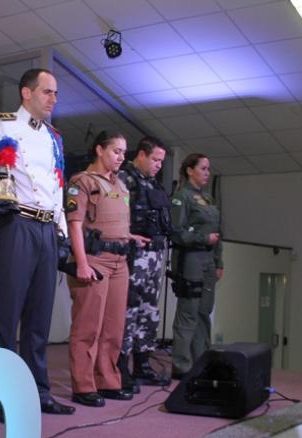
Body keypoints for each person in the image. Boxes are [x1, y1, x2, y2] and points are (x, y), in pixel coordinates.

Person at [0, 68, 74, 420]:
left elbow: (57, 186)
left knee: (39, 320)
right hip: (16, 226)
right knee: (6, 318)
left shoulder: (54, 137)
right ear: (26, 92)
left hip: (46, 230)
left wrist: (62, 232)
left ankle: (39, 393)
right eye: (47, 92)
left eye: (55, 94)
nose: (53, 99)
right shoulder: (2, 125)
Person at [64, 131, 149, 407]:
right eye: (116, 151)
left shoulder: (121, 185)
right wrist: (82, 263)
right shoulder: (82, 182)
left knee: (113, 327)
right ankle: (83, 385)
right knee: (88, 326)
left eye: (124, 152)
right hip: (95, 259)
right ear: (100, 150)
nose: (121, 157)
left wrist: (129, 237)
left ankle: (108, 380)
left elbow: (113, 223)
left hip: (119, 262)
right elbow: (75, 224)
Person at [117, 136, 172, 391]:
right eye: (155, 159)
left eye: (162, 161)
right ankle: (121, 366)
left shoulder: (153, 184)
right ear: (141, 155)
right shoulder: (124, 179)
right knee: (129, 310)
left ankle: (142, 364)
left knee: (149, 311)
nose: (159, 165)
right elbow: (116, 216)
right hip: (134, 254)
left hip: (155, 254)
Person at [168, 153, 223, 379]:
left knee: (203, 312)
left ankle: (201, 362)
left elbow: (218, 233)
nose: (207, 173)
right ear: (190, 170)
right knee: (188, 313)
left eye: (208, 169)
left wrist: (219, 262)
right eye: (203, 168)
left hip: (208, 261)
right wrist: (202, 239)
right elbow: (177, 232)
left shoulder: (208, 200)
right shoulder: (181, 197)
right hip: (190, 259)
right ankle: (181, 365)